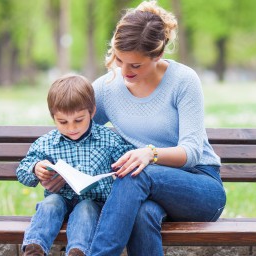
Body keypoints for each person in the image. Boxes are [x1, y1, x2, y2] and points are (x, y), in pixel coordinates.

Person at [88, 1, 227, 255]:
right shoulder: (107, 88)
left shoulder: (183, 81)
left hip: (200, 186)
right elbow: (76, 131)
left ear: (158, 55)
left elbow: (192, 152)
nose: (124, 71)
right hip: (144, 191)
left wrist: (150, 154)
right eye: (119, 60)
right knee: (142, 214)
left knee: (135, 172)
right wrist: (48, 167)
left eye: (135, 65)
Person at [15, 74, 134, 256]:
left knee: (86, 207)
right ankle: (35, 248)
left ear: (92, 112)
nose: (71, 128)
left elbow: (127, 167)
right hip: (60, 201)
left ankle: (78, 251)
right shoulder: (46, 143)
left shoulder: (109, 140)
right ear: (53, 117)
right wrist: (35, 168)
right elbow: (22, 170)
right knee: (50, 203)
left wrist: (115, 176)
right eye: (63, 122)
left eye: (79, 120)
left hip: (94, 203)